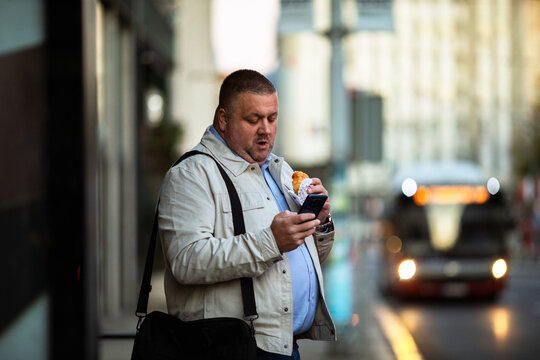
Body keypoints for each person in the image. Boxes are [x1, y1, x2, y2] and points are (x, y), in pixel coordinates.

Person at [158, 69, 336, 359]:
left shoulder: (281, 171)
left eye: (272, 118)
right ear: (224, 119)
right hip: (230, 348)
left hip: (284, 345)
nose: (265, 129)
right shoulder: (191, 175)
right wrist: (272, 241)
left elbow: (299, 259)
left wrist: (319, 222)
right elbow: (186, 261)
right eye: (253, 119)